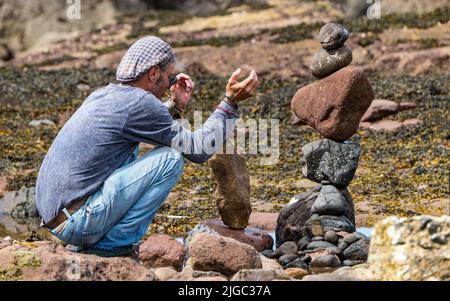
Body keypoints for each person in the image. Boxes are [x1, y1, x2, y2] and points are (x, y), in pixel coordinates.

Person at [35, 36, 258, 257]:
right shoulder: (141, 103)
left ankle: (96, 238)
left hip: (57, 218)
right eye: (169, 77)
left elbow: (146, 127)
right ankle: (112, 245)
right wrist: (230, 103)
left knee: (130, 147)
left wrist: (175, 105)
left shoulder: (103, 94)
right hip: (77, 222)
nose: (170, 84)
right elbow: (198, 150)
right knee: (171, 159)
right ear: (153, 73)